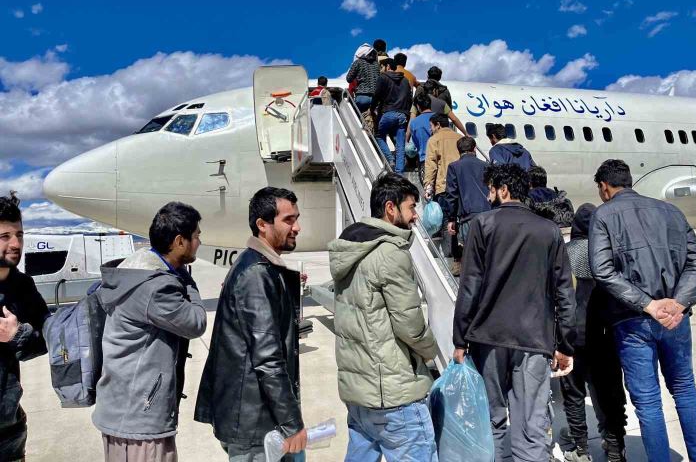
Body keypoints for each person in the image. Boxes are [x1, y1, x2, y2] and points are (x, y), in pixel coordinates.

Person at [589, 159, 696, 462]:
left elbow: (602, 271)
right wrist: (678, 303)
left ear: (604, 187)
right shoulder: (670, 211)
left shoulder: (604, 214)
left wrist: (649, 304)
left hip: (633, 320)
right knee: (685, 390)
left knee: (648, 403)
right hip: (675, 319)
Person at [452, 164, 576, 462]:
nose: (489, 196)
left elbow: (469, 286)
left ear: (504, 190)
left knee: (490, 421)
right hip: (534, 341)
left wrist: (460, 339)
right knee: (532, 426)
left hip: (488, 338)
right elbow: (564, 292)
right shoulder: (549, 230)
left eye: (491, 189)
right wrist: (564, 343)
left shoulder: (482, 225)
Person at [328, 173, 438, 461]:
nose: (415, 216)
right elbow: (410, 326)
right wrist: (432, 353)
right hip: (393, 395)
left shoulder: (349, 249)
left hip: (359, 395)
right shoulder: (389, 253)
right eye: (411, 207)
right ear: (391, 208)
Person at [196, 188, 307, 461]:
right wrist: (292, 423)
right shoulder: (257, 274)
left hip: (258, 416)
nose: (297, 227)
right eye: (288, 220)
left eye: (296, 219)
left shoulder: (261, 266)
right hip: (255, 425)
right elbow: (267, 358)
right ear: (262, 224)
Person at [93, 202, 207, 462]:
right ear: (179, 241)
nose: (199, 242)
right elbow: (195, 322)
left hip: (122, 412)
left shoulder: (134, 270)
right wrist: (188, 282)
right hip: (140, 422)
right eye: (196, 236)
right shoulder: (155, 287)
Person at [560, 203, 627, 462]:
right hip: (604, 334)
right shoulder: (607, 254)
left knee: (573, 393)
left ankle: (580, 449)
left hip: (571, 335)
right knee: (610, 392)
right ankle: (615, 447)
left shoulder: (564, 253)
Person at [0, 192, 49, 461]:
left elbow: (49, 338)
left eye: (19, 234)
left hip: (8, 429)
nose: (16, 243)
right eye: (5, 236)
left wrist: (17, 335)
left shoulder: (23, 286)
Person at [443, 137, 491, 276]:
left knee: (470, 254)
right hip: (489, 215)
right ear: (474, 149)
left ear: (459, 150)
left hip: (468, 217)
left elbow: (452, 195)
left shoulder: (454, 167)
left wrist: (451, 219)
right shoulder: (486, 166)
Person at [424, 114, 461, 255]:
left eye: (431, 126)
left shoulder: (434, 140)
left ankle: (449, 254)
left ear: (438, 125)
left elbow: (431, 165)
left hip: (443, 186)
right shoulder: (459, 138)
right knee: (458, 219)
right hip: (460, 187)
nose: (431, 129)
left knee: (446, 220)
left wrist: (428, 186)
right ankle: (458, 253)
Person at [371, 58, 412, 173]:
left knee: (379, 136)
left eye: (381, 67)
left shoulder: (383, 77)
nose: (380, 70)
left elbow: (376, 95)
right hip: (402, 115)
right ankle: (399, 172)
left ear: (387, 66)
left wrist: (372, 109)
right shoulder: (405, 80)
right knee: (400, 145)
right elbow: (409, 99)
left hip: (388, 113)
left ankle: (390, 159)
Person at [408, 93, 435, 185]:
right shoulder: (440, 118)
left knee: (427, 188)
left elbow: (416, 144)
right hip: (441, 159)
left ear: (418, 107)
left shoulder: (414, 123)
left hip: (425, 160)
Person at [346, 43, 380, 113]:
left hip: (362, 97)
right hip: (375, 98)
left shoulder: (358, 62)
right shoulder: (377, 64)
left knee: (359, 116)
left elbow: (348, 79)